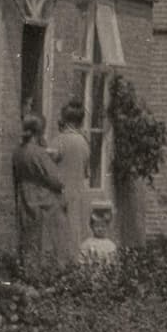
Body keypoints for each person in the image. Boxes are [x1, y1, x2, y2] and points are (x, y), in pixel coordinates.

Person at [12, 115, 67, 274]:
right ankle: (43, 276)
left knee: (27, 237)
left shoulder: (17, 152)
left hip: (24, 197)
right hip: (42, 201)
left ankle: (26, 272)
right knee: (45, 241)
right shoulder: (39, 153)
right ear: (40, 132)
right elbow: (57, 180)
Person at [54, 98, 94, 258]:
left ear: (64, 120)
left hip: (60, 194)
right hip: (78, 194)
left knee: (59, 235)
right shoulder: (84, 143)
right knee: (75, 233)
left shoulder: (59, 141)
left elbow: (46, 166)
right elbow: (85, 172)